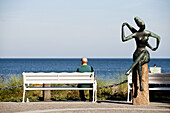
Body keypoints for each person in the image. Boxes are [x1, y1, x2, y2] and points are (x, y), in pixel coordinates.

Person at [121, 17, 160, 91]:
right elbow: (124, 39)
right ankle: (140, 85)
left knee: (143, 53)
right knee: (139, 61)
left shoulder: (147, 33)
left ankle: (130, 69)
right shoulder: (136, 34)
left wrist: (154, 47)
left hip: (145, 55)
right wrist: (123, 28)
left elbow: (158, 38)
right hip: (136, 54)